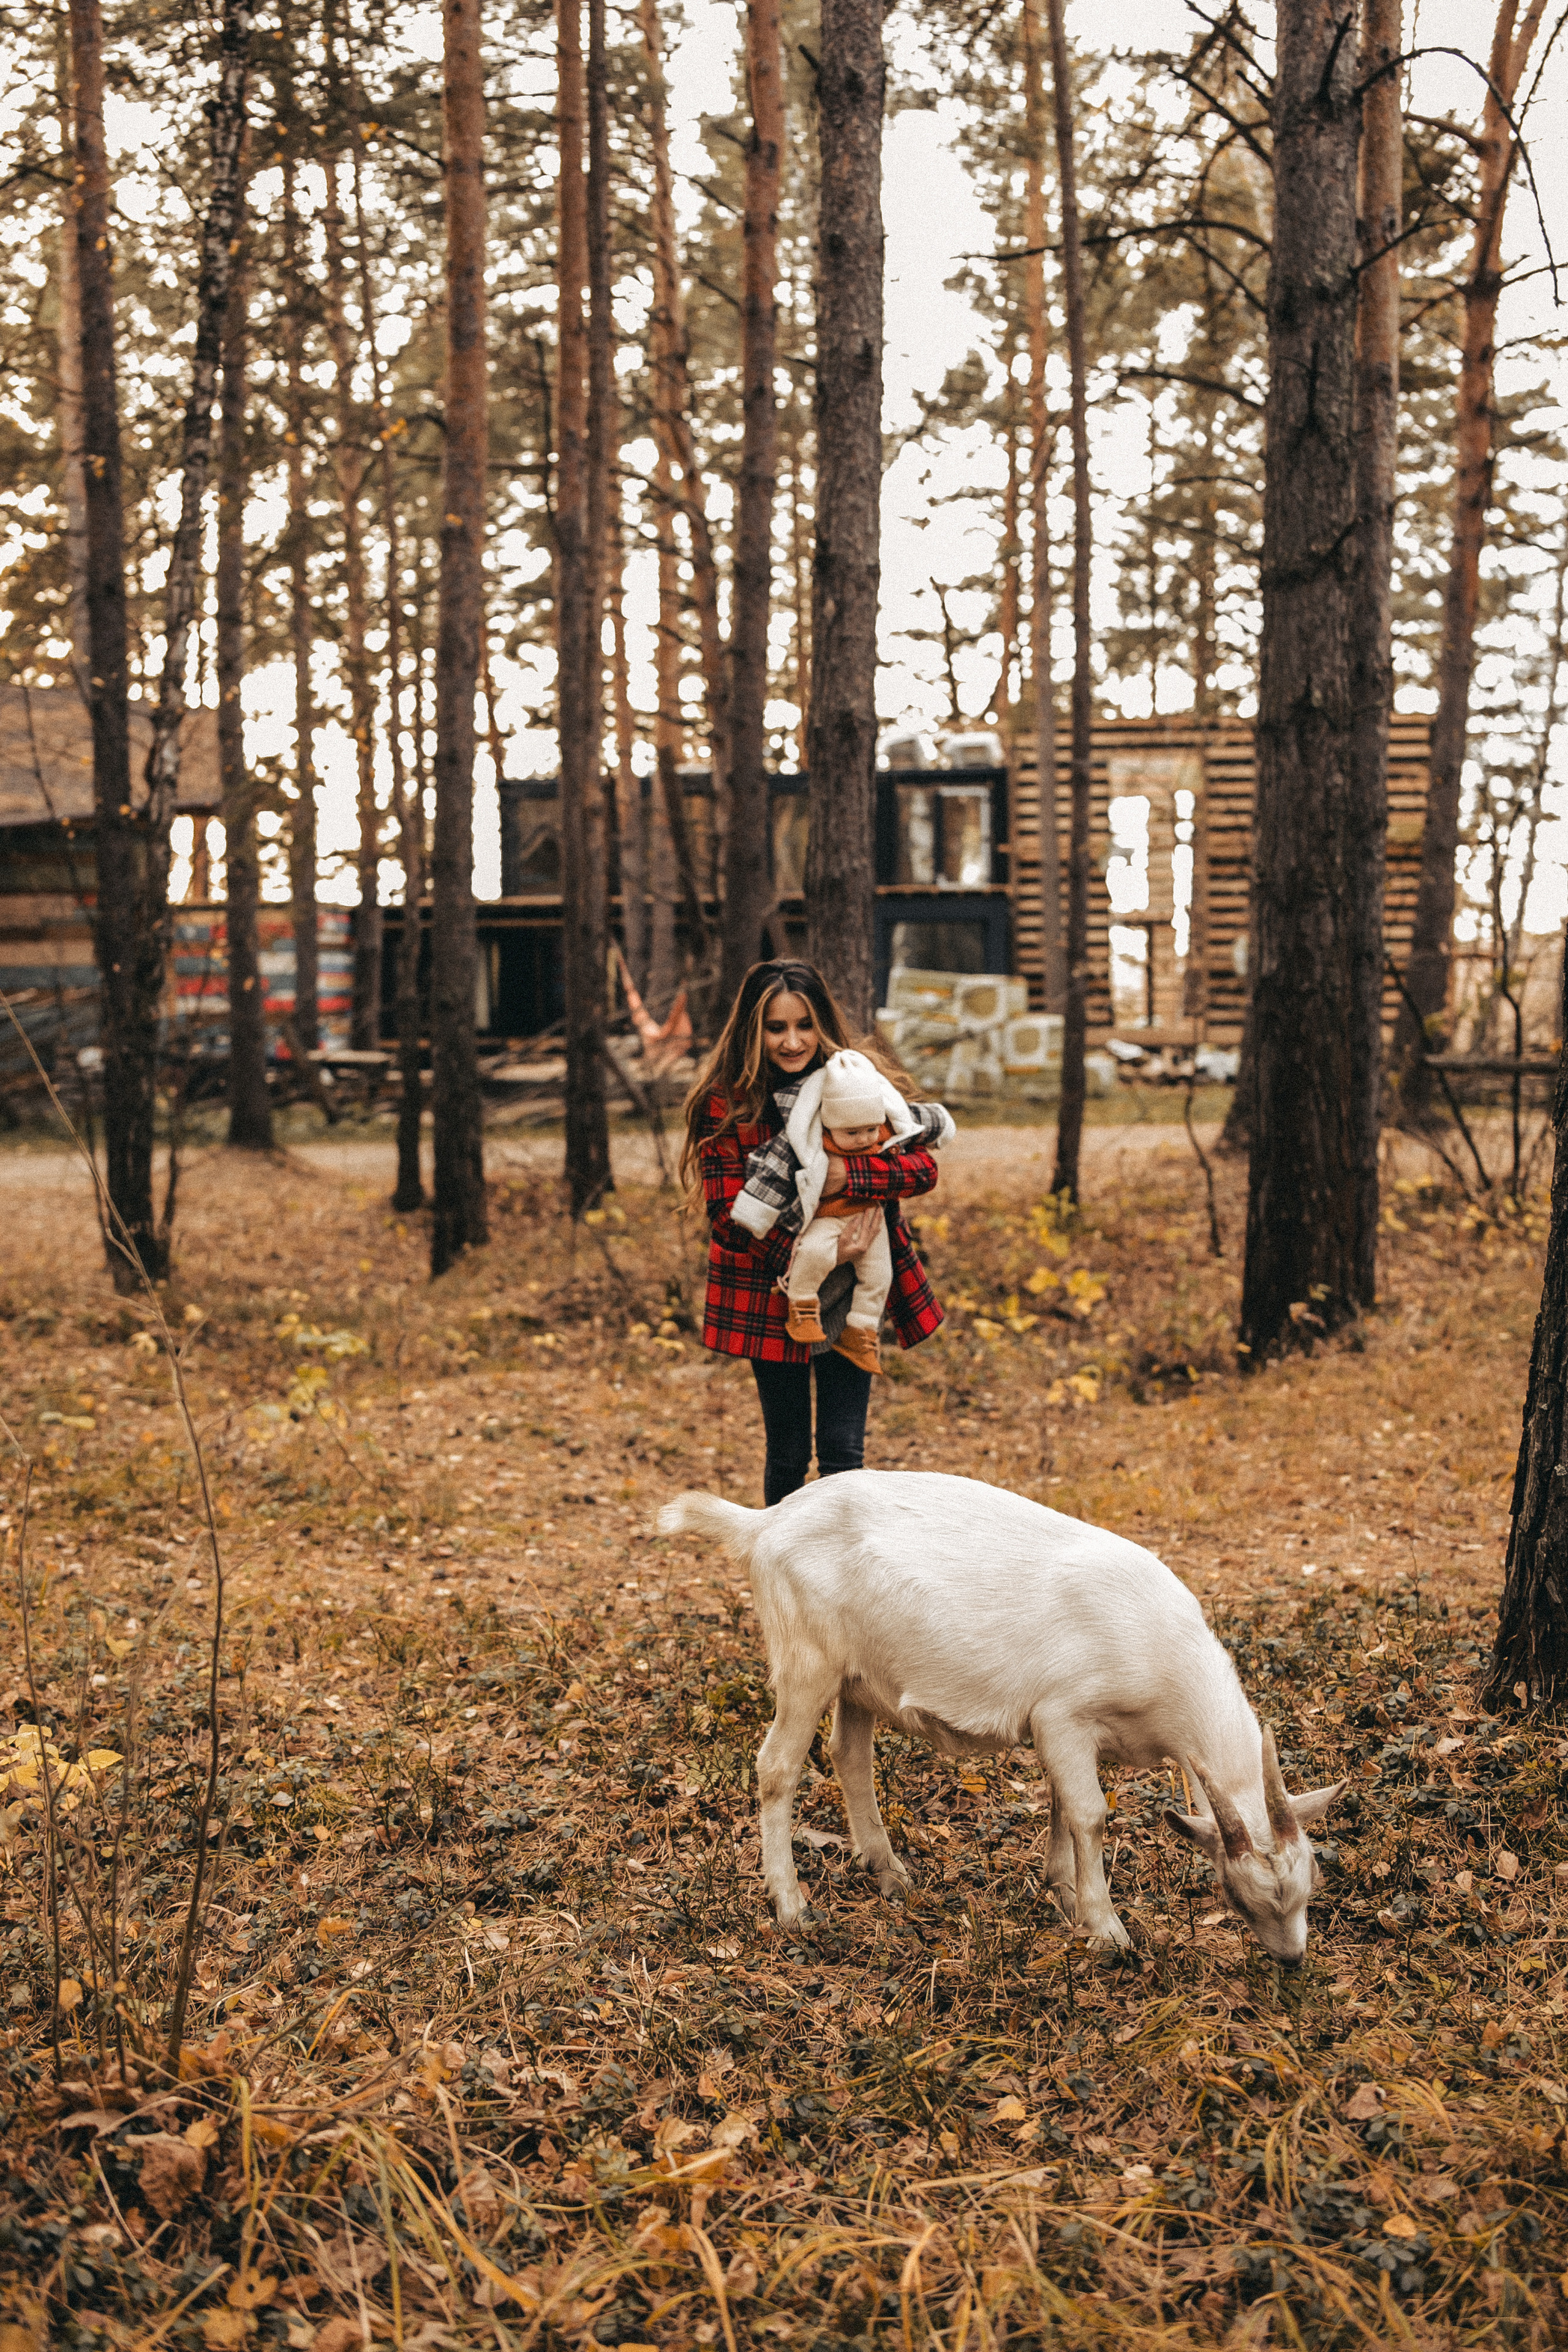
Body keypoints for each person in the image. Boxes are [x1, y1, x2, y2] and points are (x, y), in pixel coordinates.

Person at [681, 959, 947, 1504]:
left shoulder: (851, 1080)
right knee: (788, 1452)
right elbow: (728, 1219)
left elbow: (922, 1167)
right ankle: (780, 1577)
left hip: (853, 1295)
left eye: (803, 1025)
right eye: (776, 1028)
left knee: (844, 1453)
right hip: (771, 1292)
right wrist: (812, 1252)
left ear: (821, 1022)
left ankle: (837, 1584)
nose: (792, 1041)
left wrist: (847, 1176)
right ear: (753, 1030)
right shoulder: (726, 1100)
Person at [729, 1044, 954, 1374]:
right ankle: (802, 1305)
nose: (865, 1139)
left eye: (870, 1130)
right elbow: (772, 1173)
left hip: (868, 1225)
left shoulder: (875, 1114)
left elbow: (923, 1154)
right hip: (822, 1222)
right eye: (852, 1133)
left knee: (880, 1276)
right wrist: (757, 1214)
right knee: (816, 1253)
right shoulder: (808, 1134)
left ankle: (860, 1331)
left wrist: (850, 1174)